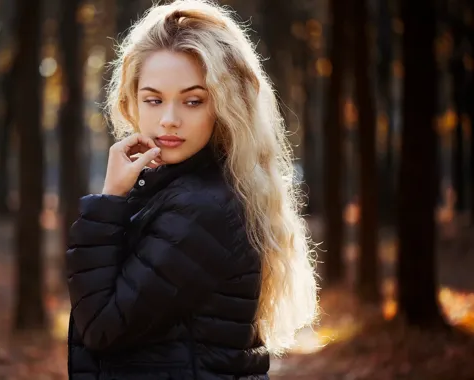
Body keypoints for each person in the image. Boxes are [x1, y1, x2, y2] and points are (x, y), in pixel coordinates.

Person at [66, 0, 318, 378]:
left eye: (193, 101)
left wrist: (109, 202)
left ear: (224, 105)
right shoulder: (178, 189)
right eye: (153, 99)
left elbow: (102, 325)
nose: (169, 120)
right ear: (132, 101)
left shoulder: (202, 208)